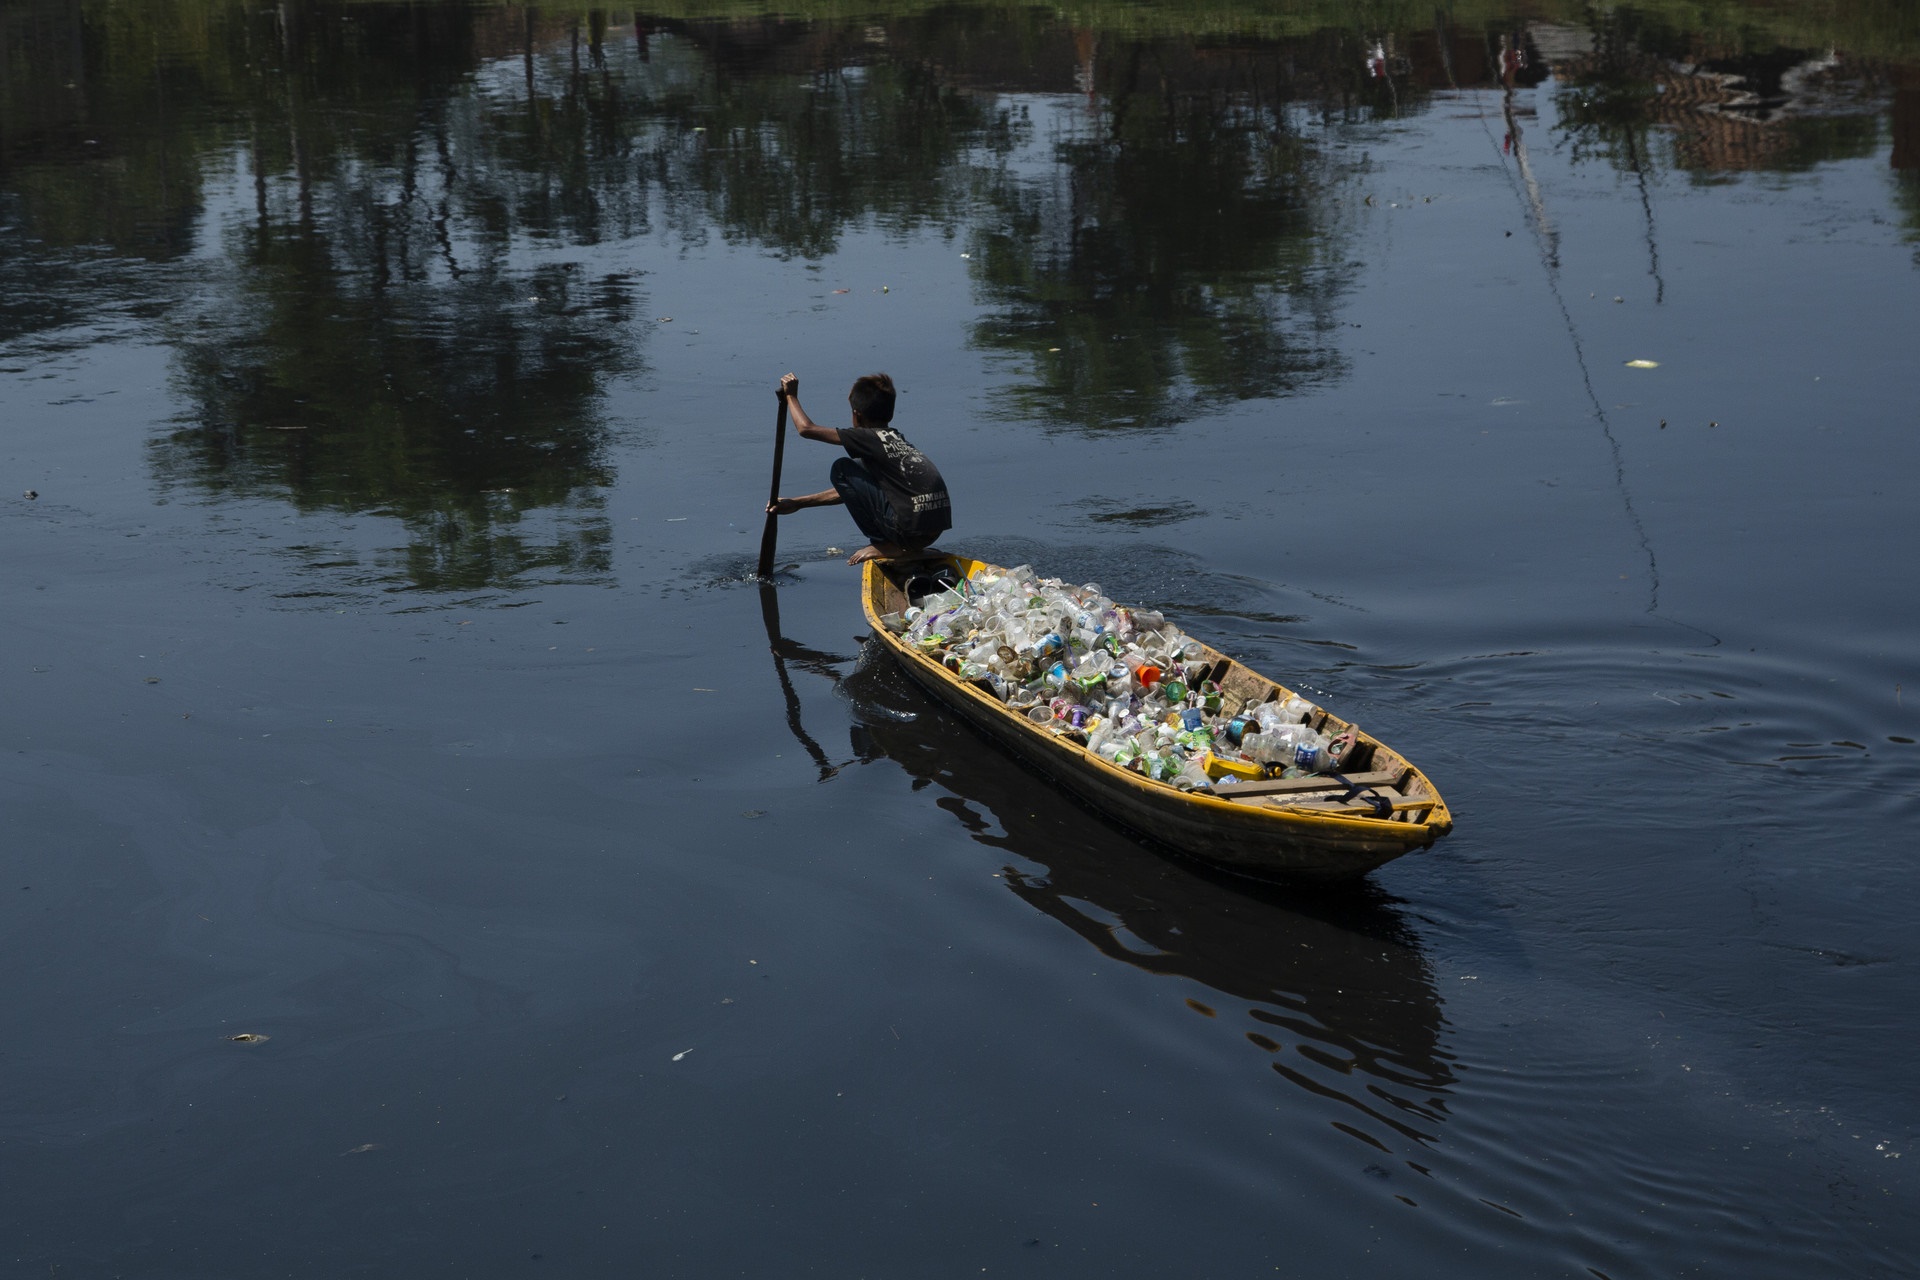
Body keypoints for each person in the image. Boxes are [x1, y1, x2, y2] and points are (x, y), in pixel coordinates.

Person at [765, 371, 951, 566]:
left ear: (857, 416)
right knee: (858, 468)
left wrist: (791, 396)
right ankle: (897, 544)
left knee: (842, 469)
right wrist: (798, 503)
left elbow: (806, 429)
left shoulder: (867, 437)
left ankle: (885, 544)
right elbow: (854, 490)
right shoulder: (894, 439)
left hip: (908, 532)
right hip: (931, 532)